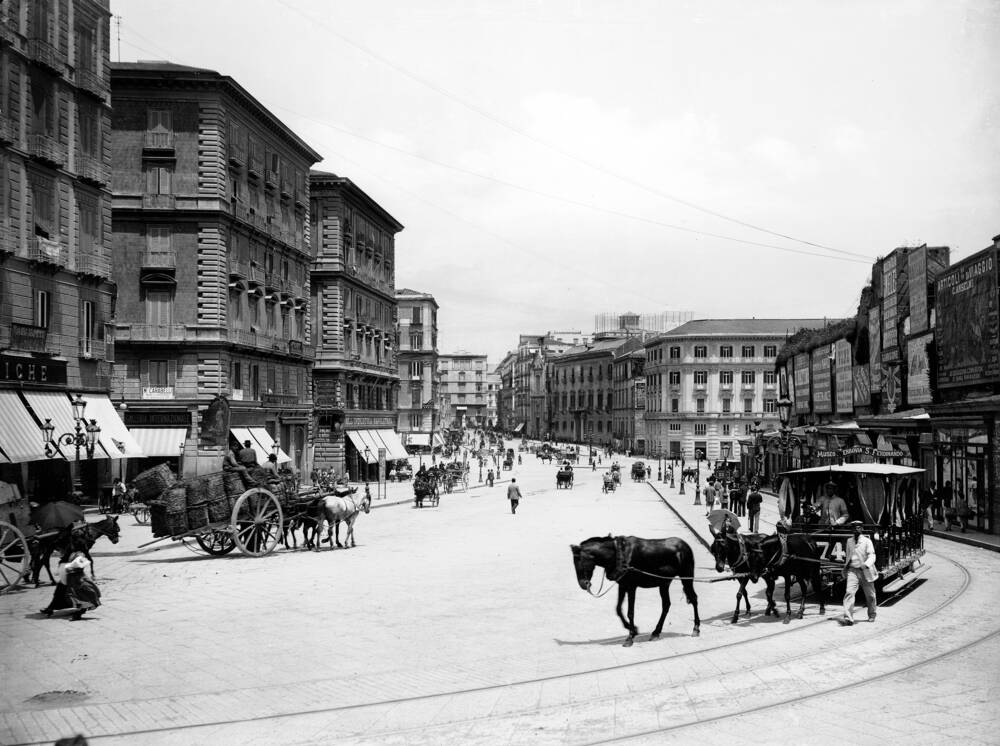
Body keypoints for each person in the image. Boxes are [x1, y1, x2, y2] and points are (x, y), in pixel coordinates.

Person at [40, 544, 101, 620]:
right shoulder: (78, 554)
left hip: (71, 577)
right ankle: (78, 611)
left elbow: (78, 565)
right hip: (74, 578)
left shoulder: (73, 554)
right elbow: (83, 564)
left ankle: (52, 609)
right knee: (80, 594)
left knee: (65, 592)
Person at [840, 520, 878, 625]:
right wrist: (846, 567)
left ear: (861, 529)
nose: (856, 529)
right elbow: (848, 556)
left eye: (858, 527)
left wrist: (865, 564)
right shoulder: (849, 541)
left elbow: (872, 556)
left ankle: (872, 614)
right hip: (853, 571)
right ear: (852, 529)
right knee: (849, 593)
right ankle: (848, 617)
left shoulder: (867, 541)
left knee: (870, 595)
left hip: (866, 571)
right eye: (854, 528)